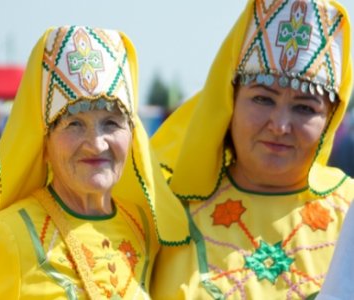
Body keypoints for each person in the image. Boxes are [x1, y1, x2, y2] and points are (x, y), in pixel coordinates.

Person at [150, 0, 354, 299]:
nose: (280, 125)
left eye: (304, 107)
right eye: (262, 99)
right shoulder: (164, 213)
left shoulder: (348, 210)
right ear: (229, 100)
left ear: (330, 117)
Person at [0, 25, 188, 299]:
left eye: (111, 123)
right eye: (74, 124)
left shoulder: (145, 229)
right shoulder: (7, 233)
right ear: (45, 141)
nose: (97, 143)